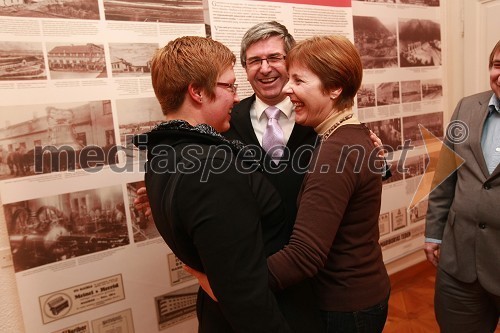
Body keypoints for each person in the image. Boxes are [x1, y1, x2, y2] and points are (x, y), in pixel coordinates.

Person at [189, 35, 391, 333]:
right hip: (332, 294)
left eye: (298, 80)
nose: (287, 88)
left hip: (343, 303)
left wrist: (232, 288)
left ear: (334, 88)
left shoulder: (336, 148)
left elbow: (305, 255)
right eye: (255, 60)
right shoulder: (342, 136)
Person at [135, 36, 291, 332]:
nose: (235, 97)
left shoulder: (161, 153)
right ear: (197, 91)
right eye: (229, 86)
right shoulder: (212, 169)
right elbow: (246, 300)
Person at [424, 39, 500, 332]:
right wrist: (433, 232)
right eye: (497, 65)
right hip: (459, 264)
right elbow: (445, 175)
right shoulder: (467, 107)